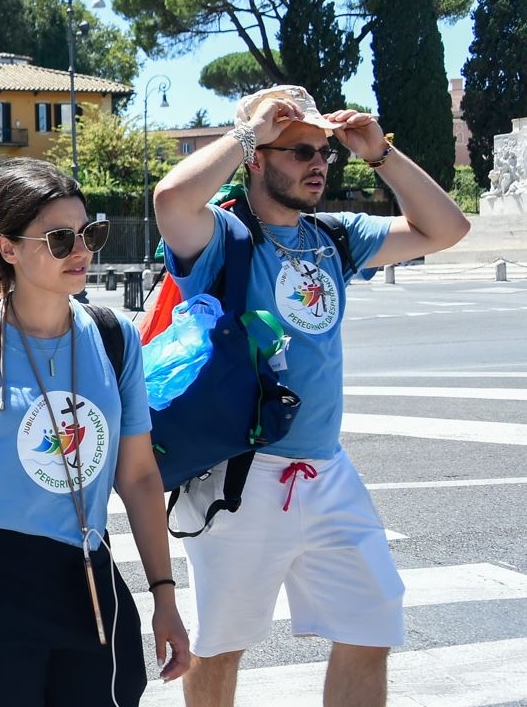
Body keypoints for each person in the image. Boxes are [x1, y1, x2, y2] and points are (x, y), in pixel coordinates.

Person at [153, 85, 470, 707]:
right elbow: (170, 198)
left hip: (327, 470)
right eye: (298, 150)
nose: (318, 162)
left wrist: (382, 155)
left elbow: (447, 228)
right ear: (256, 158)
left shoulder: (335, 236)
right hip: (240, 474)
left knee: (371, 623)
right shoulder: (222, 236)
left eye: (324, 151)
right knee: (219, 647)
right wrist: (246, 129)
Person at [0, 158, 189, 707]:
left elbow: (141, 477)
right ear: (8, 248)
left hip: (85, 579)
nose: (81, 251)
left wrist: (164, 596)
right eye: (60, 239)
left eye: (90, 234)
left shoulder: (114, 337)